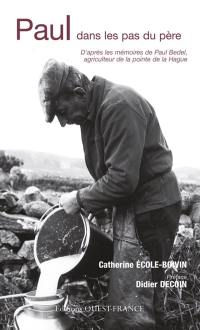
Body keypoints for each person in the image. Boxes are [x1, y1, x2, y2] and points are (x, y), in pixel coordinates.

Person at [38, 59, 182, 330]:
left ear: (79, 93)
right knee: (136, 297)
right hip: (136, 206)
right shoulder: (92, 112)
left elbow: (123, 179)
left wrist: (80, 199)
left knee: (138, 302)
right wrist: (97, 203)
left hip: (150, 208)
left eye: (61, 112)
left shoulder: (118, 106)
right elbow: (111, 171)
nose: (62, 122)